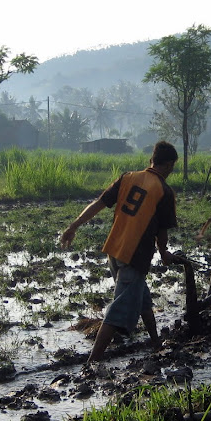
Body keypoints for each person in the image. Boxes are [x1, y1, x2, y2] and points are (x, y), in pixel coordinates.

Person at [60, 140, 180, 363]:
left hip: (114, 251)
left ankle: (155, 342)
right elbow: (162, 232)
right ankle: (92, 362)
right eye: (172, 167)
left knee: (142, 297)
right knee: (118, 310)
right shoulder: (163, 190)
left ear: (151, 160)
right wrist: (164, 253)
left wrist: (73, 226)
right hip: (134, 257)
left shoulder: (127, 177)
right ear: (169, 164)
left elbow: (99, 203)